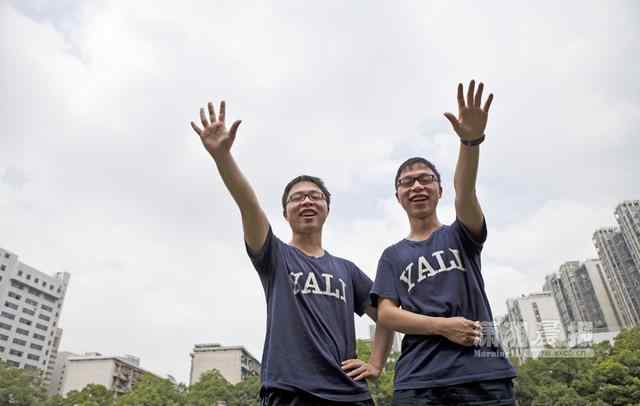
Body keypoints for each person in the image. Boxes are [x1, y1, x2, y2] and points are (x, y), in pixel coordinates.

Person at [190, 101, 394, 405]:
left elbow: (386, 316)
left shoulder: (347, 270)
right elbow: (249, 206)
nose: (307, 201)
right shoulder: (274, 255)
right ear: (285, 213)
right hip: (289, 393)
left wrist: (376, 363)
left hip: (349, 395)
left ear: (327, 207)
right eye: (297, 198)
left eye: (315, 196)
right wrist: (223, 158)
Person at [371, 81, 517, 405]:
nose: (417, 186)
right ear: (398, 197)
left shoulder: (461, 233)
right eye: (407, 182)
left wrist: (470, 141)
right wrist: (442, 326)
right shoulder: (392, 256)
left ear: (440, 191)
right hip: (418, 381)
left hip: (484, 374)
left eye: (426, 179)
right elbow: (387, 315)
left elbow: (466, 190)